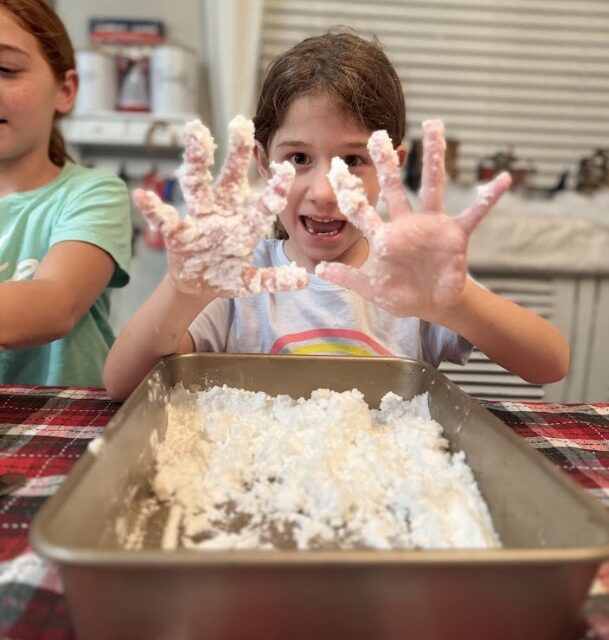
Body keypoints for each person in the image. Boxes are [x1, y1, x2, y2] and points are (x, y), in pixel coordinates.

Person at [103, 31, 568, 402]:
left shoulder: (411, 276)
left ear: (390, 166)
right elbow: (122, 384)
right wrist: (181, 291)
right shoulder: (239, 278)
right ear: (263, 164)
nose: (325, 192)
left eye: (353, 160)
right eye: (300, 158)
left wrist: (455, 304)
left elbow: (550, 362)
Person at [0, 0, 131, 386]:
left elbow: (55, 304)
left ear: (66, 90)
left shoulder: (93, 193)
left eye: (5, 69)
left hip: (65, 423)